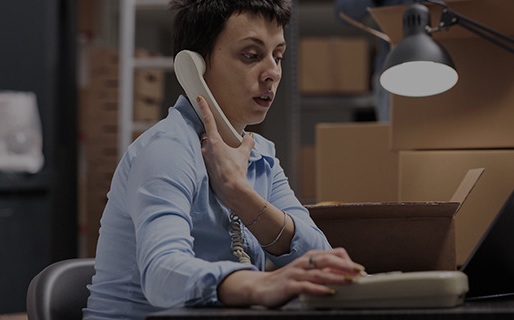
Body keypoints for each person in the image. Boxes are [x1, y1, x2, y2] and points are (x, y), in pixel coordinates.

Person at [84, 1, 363, 318]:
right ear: (195, 67)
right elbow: (162, 274)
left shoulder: (261, 155)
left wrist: (239, 193)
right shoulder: (166, 151)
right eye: (251, 55)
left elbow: (320, 257)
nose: (272, 72)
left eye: (279, 56)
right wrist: (258, 285)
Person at [334, 0, 414, 122]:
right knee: (396, 137)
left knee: (443, 136)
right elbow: (344, 12)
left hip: (443, 67)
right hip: (392, 71)